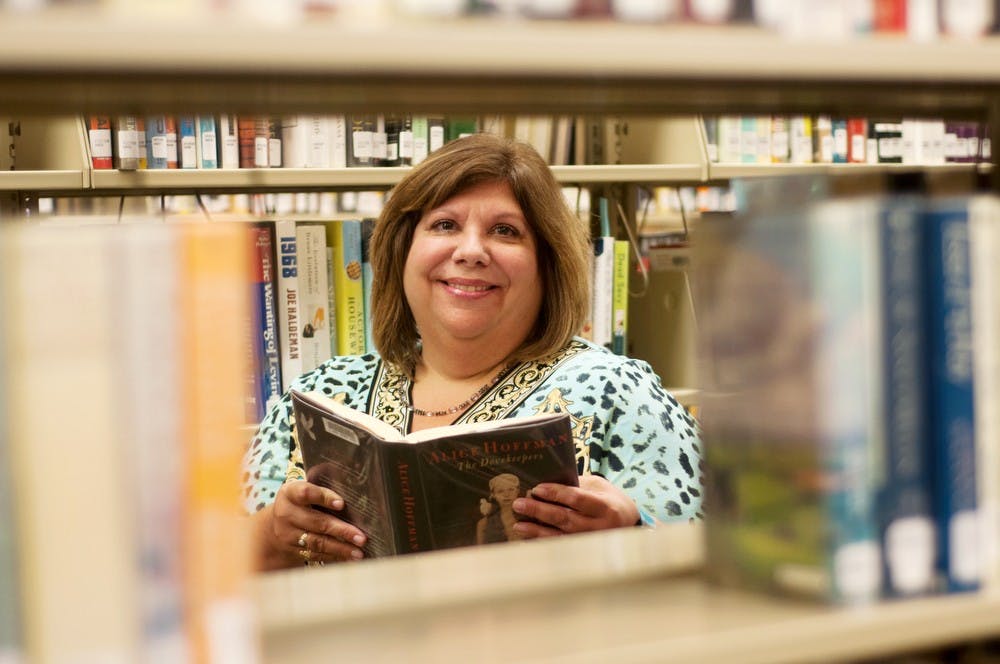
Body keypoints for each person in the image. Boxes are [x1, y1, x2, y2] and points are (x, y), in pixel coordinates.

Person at [243, 132, 703, 571]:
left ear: (547, 264)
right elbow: (205, 577)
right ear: (403, 251)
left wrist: (632, 537)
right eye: (445, 225)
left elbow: (719, 576)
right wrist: (270, 539)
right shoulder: (318, 396)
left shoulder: (617, 392)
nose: (471, 251)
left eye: (505, 231)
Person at [477, 473, 526, 545]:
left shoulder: (529, 516)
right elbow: (480, 552)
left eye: (511, 489)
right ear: (493, 495)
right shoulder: (483, 524)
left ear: (517, 491)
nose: (506, 495)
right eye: (500, 491)